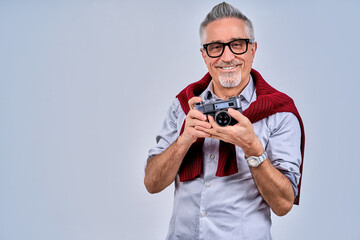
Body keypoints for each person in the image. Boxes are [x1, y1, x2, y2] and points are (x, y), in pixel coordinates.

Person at [144, 2, 305, 240]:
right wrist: (184, 140)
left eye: (237, 45)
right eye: (215, 47)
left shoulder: (278, 112)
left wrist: (252, 147)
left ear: (253, 49)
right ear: (204, 55)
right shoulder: (185, 105)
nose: (227, 57)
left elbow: (283, 204)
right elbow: (152, 183)